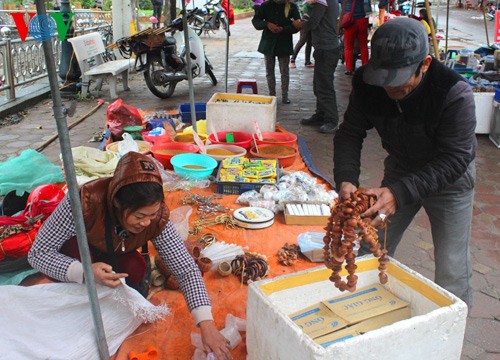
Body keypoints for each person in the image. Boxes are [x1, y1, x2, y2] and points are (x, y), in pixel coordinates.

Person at [28, 152, 233, 360]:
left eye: (151, 215)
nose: (146, 223)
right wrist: (84, 272)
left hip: (112, 249)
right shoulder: (84, 202)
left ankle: (101, 303)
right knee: (79, 267)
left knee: (135, 269)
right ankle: (76, 305)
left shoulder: (157, 217)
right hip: (78, 254)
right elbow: (38, 254)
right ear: (117, 202)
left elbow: (186, 269)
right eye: (139, 216)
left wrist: (206, 324)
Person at [333, 18, 476, 310]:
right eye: (382, 76)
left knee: (451, 268)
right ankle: (364, 317)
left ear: (424, 64)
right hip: (400, 171)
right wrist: (346, 178)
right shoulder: (366, 82)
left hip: (450, 182)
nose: (387, 86)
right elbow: (350, 132)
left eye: (397, 79)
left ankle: (450, 337)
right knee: (372, 245)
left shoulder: (453, 92)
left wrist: (399, 193)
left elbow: (455, 158)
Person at [300, 0, 341, 133]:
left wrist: (300, 23)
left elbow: (313, 23)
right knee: (319, 84)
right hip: (325, 47)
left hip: (326, 48)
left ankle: (332, 120)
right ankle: (321, 114)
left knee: (324, 86)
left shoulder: (322, 2)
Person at [252, 0, 302, 104]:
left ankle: (285, 96)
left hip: (284, 43)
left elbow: (298, 25)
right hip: (269, 44)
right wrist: (267, 24)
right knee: (269, 72)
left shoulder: (292, 6)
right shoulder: (266, 5)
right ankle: (272, 95)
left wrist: (284, 29)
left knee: (284, 72)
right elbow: (256, 21)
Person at [340, 0, 369, 75]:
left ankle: (349, 69)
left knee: (348, 47)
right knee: (363, 46)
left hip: (350, 21)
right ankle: (365, 67)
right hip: (362, 20)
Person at [290, 0, 315, 69]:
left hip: (311, 23)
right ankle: (292, 60)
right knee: (302, 41)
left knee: (309, 42)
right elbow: (304, 13)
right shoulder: (306, 5)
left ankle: (307, 61)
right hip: (305, 22)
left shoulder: (314, 4)